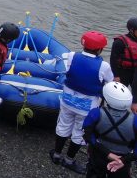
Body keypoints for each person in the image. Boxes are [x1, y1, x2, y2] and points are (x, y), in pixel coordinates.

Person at [50, 31, 114, 175]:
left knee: (63, 125)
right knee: (79, 132)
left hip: (67, 100)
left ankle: (56, 154)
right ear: (100, 49)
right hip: (87, 106)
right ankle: (69, 160)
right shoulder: (104, 66)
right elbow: (109, 83)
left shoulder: (72, 56)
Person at [83, 82, 137, 178]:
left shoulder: (96, 113)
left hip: (98, 154)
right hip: (122, 160)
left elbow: (88, 135)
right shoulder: (136, 121)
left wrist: (107, 153)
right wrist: (123, 160)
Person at [111, 17, 137, 86]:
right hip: (123, 72)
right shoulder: (119, 42)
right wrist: (116, 75)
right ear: (132, 30)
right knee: (121, 94)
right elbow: (113, 60)